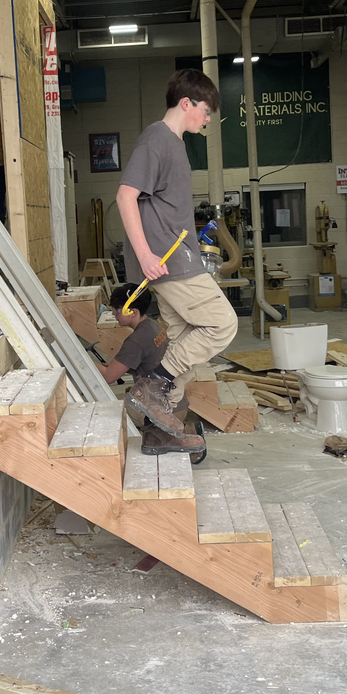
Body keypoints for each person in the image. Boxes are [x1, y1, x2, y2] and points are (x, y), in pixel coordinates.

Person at [116, 68, 238, 452]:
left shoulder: (174, 143)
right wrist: (146, 254)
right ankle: (152, 385)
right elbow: (125, 196)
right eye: (205, 111)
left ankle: (159, 431)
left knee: (183, 340)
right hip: (168, 261)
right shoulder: (157, 139)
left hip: (177, 257)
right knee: (222, 324)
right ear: (186, 103)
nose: (207, 119)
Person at [97, 283, 203, 455]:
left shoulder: (136, 341)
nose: (113, 314)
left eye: (116, 310)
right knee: (128, 394)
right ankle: (181, 430)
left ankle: (165, 435)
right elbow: (147, 359)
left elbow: (108, 377)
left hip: (163, 413)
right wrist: (118, 363)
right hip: (176, 404)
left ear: (133, 312)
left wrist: (79, 358)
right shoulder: (152, 326)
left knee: (106, 416)